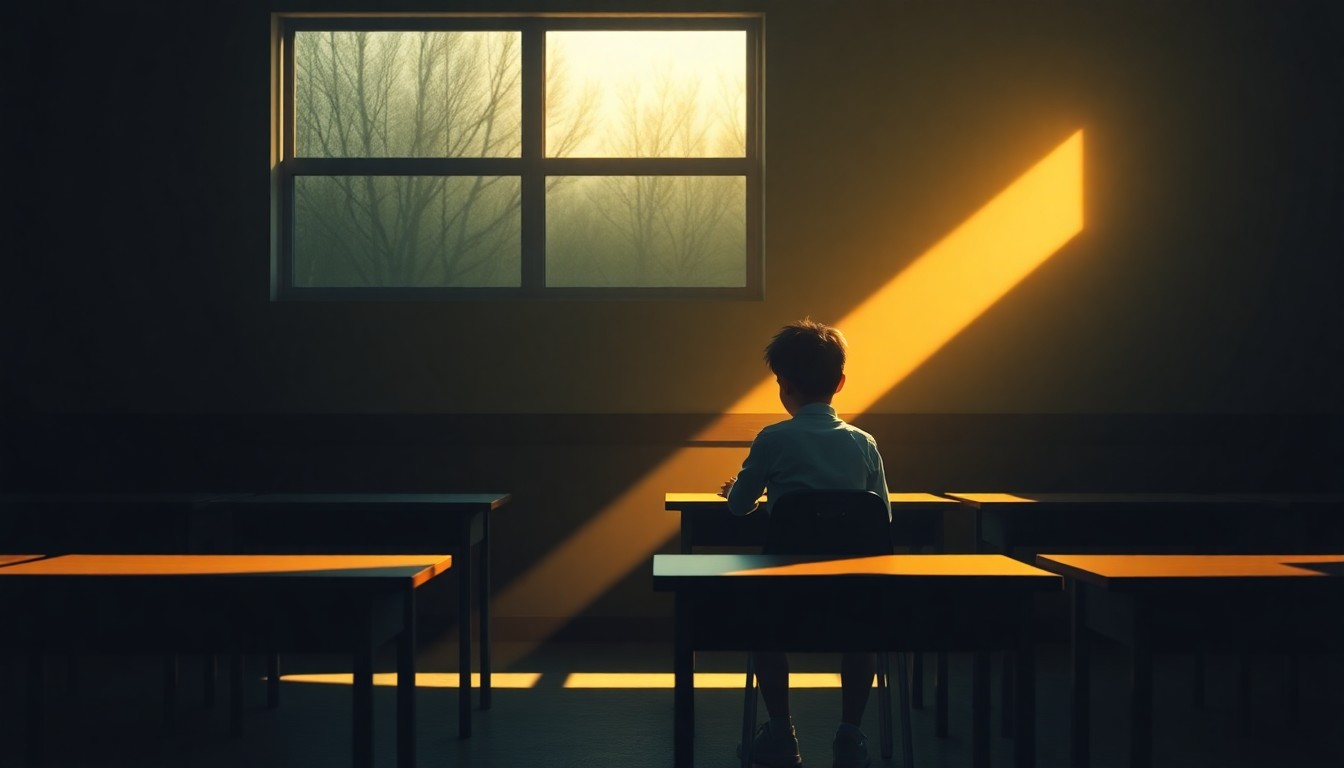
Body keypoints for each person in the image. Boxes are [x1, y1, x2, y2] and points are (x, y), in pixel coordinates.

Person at [719, 318, 890, 768]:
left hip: (786, 596)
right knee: (863, 633)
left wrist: (740, 488)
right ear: (840, 382)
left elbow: (738, 508)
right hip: (853, 594)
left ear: (783, 385)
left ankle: (780, 732)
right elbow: (882, 519)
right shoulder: (864, 443)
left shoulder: (773, 439)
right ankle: (850, 735)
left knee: (765, 629)